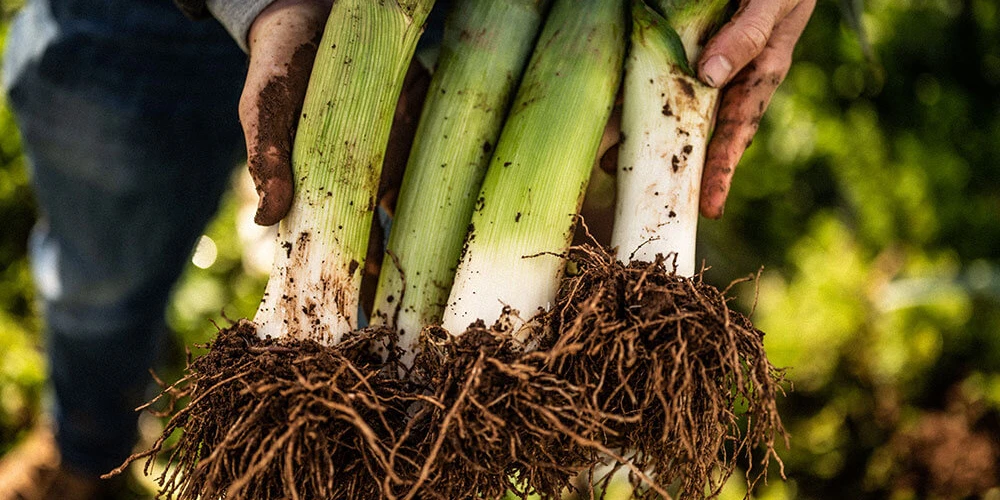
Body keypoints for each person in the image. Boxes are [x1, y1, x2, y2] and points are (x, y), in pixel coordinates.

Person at [0, 0, 814, 498]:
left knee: (412, 402)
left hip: (511, 35)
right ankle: (83, 444)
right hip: (133, 21)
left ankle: (403, 397)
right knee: (101, 272)